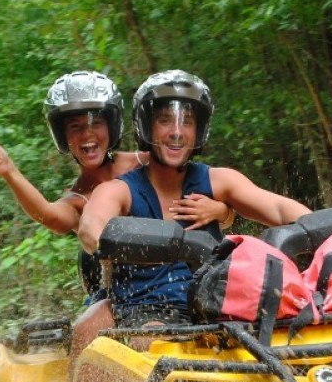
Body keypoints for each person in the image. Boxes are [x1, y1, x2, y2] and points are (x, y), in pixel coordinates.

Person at [0, 71, 233, 355]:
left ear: (112, 126)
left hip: (185, 279)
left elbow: (198, 180)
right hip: (124, 292)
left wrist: (223, 211)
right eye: (76, 127)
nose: (87, 134)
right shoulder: (79, 198)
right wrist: (10, 172)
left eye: (96, 123)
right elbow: (50, 216)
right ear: (63, 136)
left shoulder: (145, 162)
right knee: (88, 333)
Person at [78, 69, 311, 329]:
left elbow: (279, 209)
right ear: (146, 126)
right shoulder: (120, 190)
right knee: (151, 336)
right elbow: (91, 225)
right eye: (165, 120)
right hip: (144, 313)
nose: (177, 132)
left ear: (199, 130)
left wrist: (316, 228)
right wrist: (109, 241)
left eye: (187, 121)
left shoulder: (218, 180)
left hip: (217, 312)